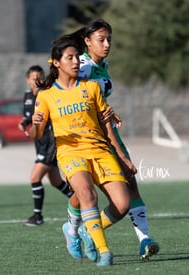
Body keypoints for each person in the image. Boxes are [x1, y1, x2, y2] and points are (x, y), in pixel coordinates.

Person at [53, 18, 160, 260]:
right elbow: (70, 92)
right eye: (101, 40)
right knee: (86, 188)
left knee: (129, 180)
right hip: (83, 137)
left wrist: (108, 111)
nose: (107, 44)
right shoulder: (82, 65)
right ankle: (73, 229)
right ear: (87, 42)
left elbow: (95, 99)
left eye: (109, 39)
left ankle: (144, 239)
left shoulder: (103, 64)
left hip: (107, 131)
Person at [31, 39, 134, 267]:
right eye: (70, 57)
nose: (76, 61)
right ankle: (104, 250)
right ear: (56, 63)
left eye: (77, 57)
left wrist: (123, 156)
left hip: (99, 150)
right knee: (88, 194)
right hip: (70, 153)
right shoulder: (47, 95)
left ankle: (79, 229)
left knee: (123, 204)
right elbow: (36, 134)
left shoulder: (92, 87)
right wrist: (36, 123)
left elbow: (106, 124)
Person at [18, 65, 73, 226]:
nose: (37, 81)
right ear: (28, 80)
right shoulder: (28, 96)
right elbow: (29, 116)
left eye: (40, 77)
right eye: (34, 78)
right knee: (56, 181)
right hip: (40, 143)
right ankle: (83, 202)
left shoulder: (47, 94)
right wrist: (24, 122)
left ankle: (38, 216)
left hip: (50, 142)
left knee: (35, 178)